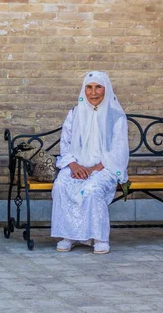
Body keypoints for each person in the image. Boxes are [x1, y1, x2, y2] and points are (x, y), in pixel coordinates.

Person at [51, 71, 129, 254]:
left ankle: (100, 237)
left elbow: (119, 149)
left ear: (106, 89)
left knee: (92, 189)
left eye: (98, 87)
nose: (93, 92)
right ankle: (68, 234)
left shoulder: (116, 116)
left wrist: (95, 168)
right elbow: (65, 143)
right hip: (76, 166)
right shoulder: (75, 113)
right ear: (83, 90)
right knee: (62, 184)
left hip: (106, 168)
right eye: (89, 87)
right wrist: (73, 165)